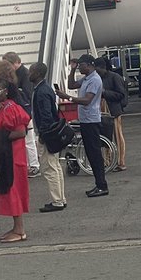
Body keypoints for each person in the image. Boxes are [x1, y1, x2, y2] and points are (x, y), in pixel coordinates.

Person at [0, 78, 30, 243]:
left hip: (13, 157)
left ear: (6, 92)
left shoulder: (12, 108)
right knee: (6, 190)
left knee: (13, 190)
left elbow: (21, 132)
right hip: (3, 156)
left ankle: (20, 229)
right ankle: (16, 228)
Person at [59, 54, 109, 198]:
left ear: (89, 65)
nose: (79, 67)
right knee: (90, 152)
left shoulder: (94, 80)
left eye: (81, 65)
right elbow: (71, 85)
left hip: (91, 121)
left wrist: (67, 97)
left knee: (94, 153)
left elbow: (87, 100)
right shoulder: (87, 78)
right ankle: (99, 184)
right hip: (86, 120)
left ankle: (102, 185)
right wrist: (72, 70)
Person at [28, 61, 67, 211]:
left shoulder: (41, 91)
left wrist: (43, 134)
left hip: (48, 133)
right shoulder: (46, 88)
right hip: (53, 132)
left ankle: (56, 200)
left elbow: (45, 115)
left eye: (31, 71)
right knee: (55, 166)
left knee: (49, 168)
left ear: (37, 73)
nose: (28, 73)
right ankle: (60, 198)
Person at [94, 56, 128, 170]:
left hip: (113, 111)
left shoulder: (115, 77)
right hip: (102, 111)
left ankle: (121, 162)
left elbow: (121, 95)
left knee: (117, 136)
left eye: (96, 68)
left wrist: (105, 93)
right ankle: (107, 161)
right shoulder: (99, 78)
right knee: (105, 136)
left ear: (102, 67)